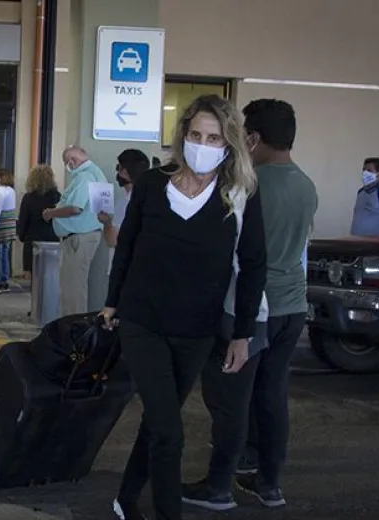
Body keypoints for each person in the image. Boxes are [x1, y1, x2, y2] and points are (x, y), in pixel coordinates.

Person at [102, 94, 267, 520]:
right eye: (195, 134)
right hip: (142, 323)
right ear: (183, 135)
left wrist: (243, 334)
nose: (202, 143)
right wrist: (110, 302)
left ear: (228, 144)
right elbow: (127, 247)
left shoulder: (239, 194)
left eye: (213, 137)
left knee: (159, 423)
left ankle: (124, 498)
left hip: (196, 331)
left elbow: (253, 265)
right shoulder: (153, 185)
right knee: (170, 433)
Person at [181, 99, 318, 512]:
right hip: (292, 307)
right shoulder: (305, 184)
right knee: (272, 397)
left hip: (252, 311)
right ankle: (269, 483)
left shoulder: (251, 186)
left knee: (231, 400)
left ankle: (220, 486)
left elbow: (239, 257)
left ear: (252, 138)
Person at [42, 146, 107, 316]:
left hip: (78, 238)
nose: (67, 167)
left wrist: (51, 213)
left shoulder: (85, 177)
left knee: (73, 291)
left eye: (66, 163)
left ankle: (73, 331)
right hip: (86, 236)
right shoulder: (95, 173)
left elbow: (75, 208)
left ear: (72, 161)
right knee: (75, 287)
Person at [17, 165, 61, 280]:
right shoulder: (57, 197)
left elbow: (23, 220)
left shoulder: (28, 198)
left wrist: (21, 236)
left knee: (33, 276)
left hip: (32, 239)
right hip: (52, 238)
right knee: (50, 276)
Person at [100, 149, 149, 248]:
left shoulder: (125, 204)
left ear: (124, 172)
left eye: (118, 167)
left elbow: (113, 240)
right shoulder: (153, 197)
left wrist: (106, 223)